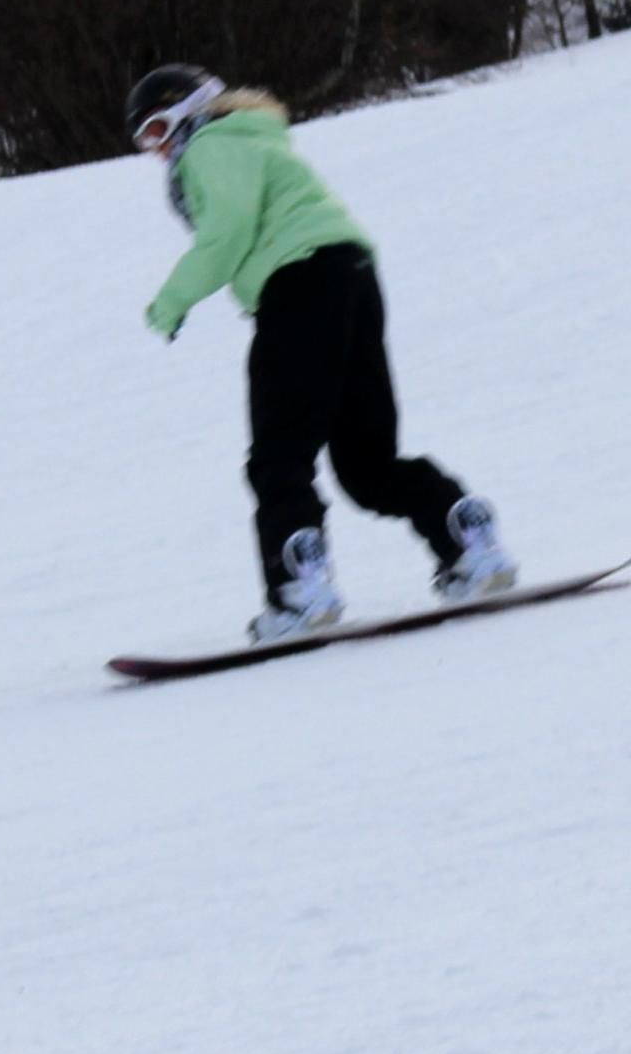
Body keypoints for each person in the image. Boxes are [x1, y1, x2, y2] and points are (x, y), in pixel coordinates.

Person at [129, 63, 517, 643]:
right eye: (144, 143)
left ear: (188, 112)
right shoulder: (256, 138)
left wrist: (170, 302)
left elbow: (228, 230)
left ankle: (299, 592)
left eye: (158, 130)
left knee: (279, 459)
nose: (157, 151)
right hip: (352, 277)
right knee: (368, 465)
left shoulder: (210, 145)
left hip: (298, 287)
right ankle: (468, 541)